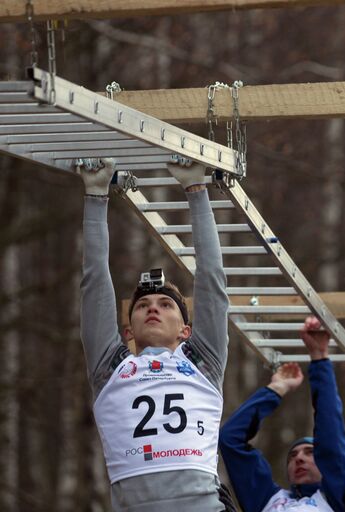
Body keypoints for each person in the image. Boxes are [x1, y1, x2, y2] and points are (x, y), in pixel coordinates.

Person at [79, 157, 232, 511]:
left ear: (186, 330)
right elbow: (93, 285)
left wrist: (196, 190)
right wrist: (95, 195)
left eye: (166, 304)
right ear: (127, 329)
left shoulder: (201, 362)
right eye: (143, 304)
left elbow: (212, 281)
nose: (152, 308)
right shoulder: (111, 368)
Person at [219, 316, 345, 512]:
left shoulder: (338, 499)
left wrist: (320, 358)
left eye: (310, 452)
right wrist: (276, 388)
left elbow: (331, 436)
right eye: (293, 456)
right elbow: (230, 440)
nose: (299, 459)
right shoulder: (268, 500)